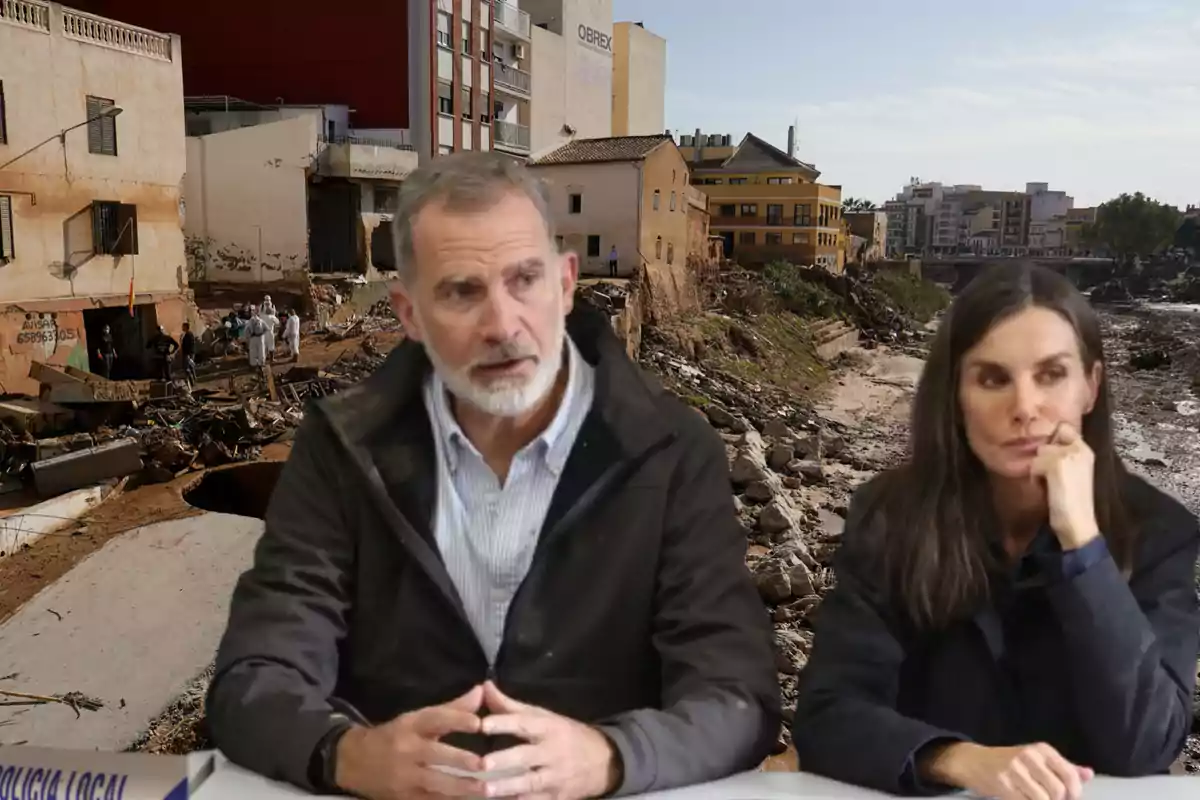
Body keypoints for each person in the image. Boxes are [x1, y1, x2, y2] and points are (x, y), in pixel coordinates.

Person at [207, 151, 780, 799]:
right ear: (409, 315)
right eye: (461, 291)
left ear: (566, 285)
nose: (503, 326)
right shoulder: (341, 450)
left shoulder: (674, 451)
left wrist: (613, 756)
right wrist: (345, 754)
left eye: (524, 280)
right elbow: (254, 676)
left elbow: (738, 696)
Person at [792, 263, 1200, 800]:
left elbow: (1145, 744)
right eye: (992, 378)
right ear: (956, 395)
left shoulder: (1159, 532)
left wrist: (1083, 546)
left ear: (1090, 387)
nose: (1024, 409)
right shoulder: (889, 517)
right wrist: (955, 758)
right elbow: (828, 714)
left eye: (1051, 375)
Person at [180, 322, 197, 388]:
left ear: (186, 327)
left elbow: (189, 345)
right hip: (188, 354)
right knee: (190, 367)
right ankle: (193, 380)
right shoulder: (187, 334)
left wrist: (188, 355)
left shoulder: (189, 335)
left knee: (188, 368)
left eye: (183, 326)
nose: (182, 328)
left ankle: (192, 382)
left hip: (188, 354)